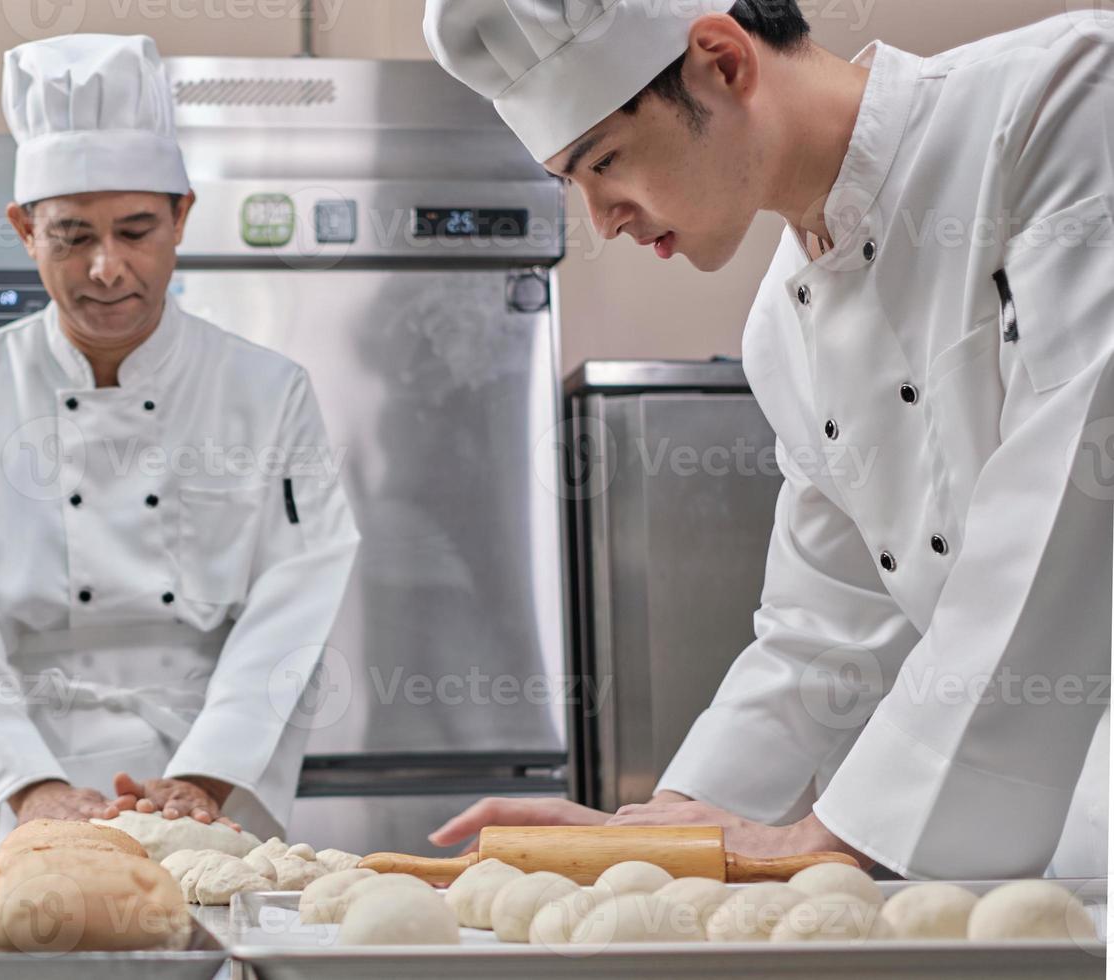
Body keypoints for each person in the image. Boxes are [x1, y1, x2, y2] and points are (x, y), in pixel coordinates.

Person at [425, 0, 1112, 879]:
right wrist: (665, 828)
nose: (602, 222)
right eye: (574, 184)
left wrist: (830, 838)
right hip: (1047, 864)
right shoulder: (779, 334)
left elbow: (1072, 506)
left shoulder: (1065, 98)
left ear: (722, 60)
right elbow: (822, 632)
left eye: (604, 162)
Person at [0, 33, 360, 848]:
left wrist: (205, 778)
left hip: (213, 784)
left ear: (181, 218)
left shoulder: (267, 391)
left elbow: (298, 596)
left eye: (136, 230)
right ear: (24, 230)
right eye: (72, 236)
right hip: (34, 779)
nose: (107, 269)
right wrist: (30, 787)